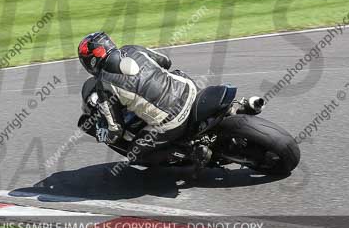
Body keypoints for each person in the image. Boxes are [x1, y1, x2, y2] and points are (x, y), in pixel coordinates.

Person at [77, 31, 264, 165]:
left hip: (170, 121)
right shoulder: (133, 49)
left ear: (91, 62)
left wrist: (103, 135)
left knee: (136, 154)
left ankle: (190, 153)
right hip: (188, 89)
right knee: (176, 73)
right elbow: (165, 61)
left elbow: (116, 129)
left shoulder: (104, 86)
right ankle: (237, 107)